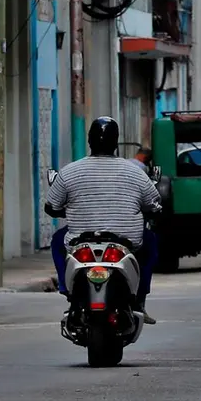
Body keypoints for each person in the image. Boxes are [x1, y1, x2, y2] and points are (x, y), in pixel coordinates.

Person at [46, 117, 162, 324]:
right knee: (150, 241)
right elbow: (154, 205)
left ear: (89, 141)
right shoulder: (137, 173)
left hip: (79, 241)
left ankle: (66, 289)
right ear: (116, 142)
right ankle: (140, 300)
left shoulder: (69, 172)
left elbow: (52, 207)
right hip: (127, 240)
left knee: (57, 241)